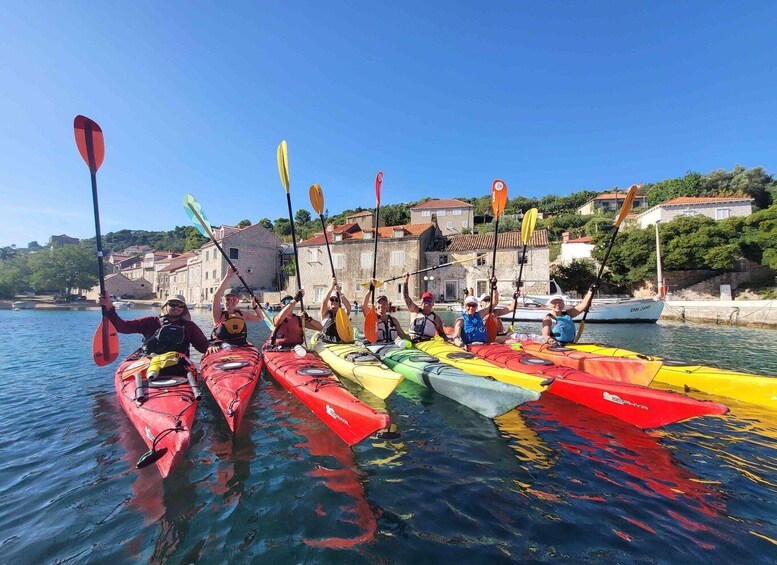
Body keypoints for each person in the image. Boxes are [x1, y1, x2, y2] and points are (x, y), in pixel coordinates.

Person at [97, 293, 209, 355]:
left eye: (180, 305)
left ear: (184, 309)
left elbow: (203, 347)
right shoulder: (150, 321)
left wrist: (217, 347)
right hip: (151, 362)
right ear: (166, 306)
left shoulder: (189, 327)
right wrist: (109, 307)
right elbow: (123, 327)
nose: (176, 308)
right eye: (173, 304)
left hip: (177, 364)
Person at [208, 272, 265, 353]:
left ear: (237, 301)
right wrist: (228, 276)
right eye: (227, 299)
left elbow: (260, 318)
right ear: (223, 301)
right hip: (223, 346)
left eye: (233, 299)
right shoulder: (218, 314)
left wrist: (255, 307)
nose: (230, 301)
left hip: (241, 345)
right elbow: (216, 295)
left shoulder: (242, 314)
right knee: (226, 347)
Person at [403, 272, 448, 342]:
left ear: (433, 303)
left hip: (427, 343)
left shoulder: (436, 319)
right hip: (412, 340)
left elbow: (442, 334)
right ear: (420, 302)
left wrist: (449, 341)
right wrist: (405, 282)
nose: (427, 302)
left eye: (429, 300)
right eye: (425, 300)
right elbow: (406, 297)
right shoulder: (415, 310)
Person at [319, 278, 352, 343]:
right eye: (331, 299)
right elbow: (324, 302)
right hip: (327, 341)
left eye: (336, 300)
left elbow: (348, 307)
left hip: (340, 340)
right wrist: (332, 287)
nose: (334, 301)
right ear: (329, 302)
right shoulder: (325, 313)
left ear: (339, 302)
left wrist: (340, 292)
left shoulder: (342, 314)